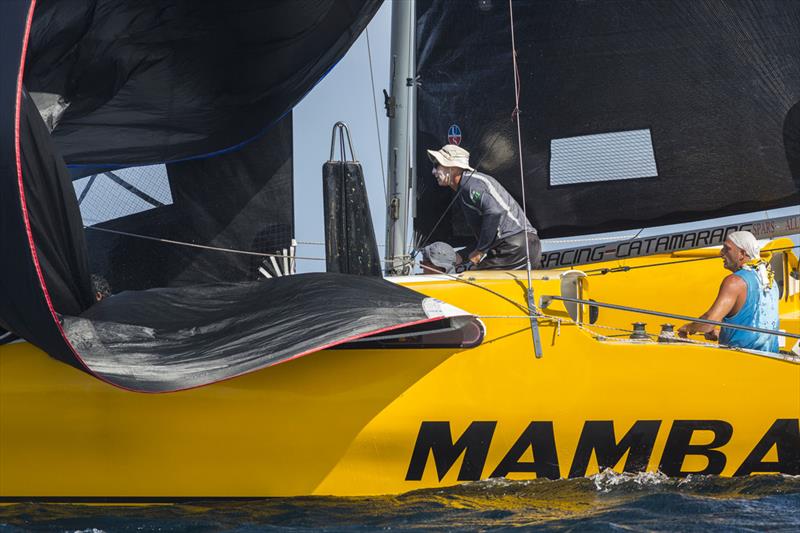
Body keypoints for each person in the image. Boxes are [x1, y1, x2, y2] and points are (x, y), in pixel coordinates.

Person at [427, 144, 541, 270]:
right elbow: (489, 233)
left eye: (436, 165)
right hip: (524, 245)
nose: (433, 172)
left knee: (474, 281)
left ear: (453, 167)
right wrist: (462, 256)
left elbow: (494, 213)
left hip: (513, 247)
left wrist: (480, 251)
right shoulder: (468, 185)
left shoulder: (470, 184)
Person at [678, 231, 779, 352]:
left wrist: (688, 327)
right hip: (771, 361)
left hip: (741, 361)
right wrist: (722, 332)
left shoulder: (734, 282)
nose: (721, 253)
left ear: (742, 253)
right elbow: (757, 323)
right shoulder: (769, 280)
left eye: (727, 249)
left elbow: (708, 323)